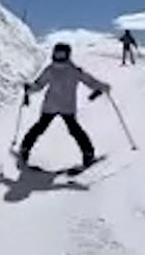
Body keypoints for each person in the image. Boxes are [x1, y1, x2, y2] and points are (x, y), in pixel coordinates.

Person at [20, 41, 110, 169]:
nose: (59, 57)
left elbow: (89, 81)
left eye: (61, 54)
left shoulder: (68, 70)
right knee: (45, 128)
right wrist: (30, 89)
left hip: (60, 106)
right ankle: (25, 149)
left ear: (67, 55)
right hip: (57, 106)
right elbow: (39, 84)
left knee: (69, 130)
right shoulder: (55, 70)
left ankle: (88, 154)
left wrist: (102, 86)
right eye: (57, 54)